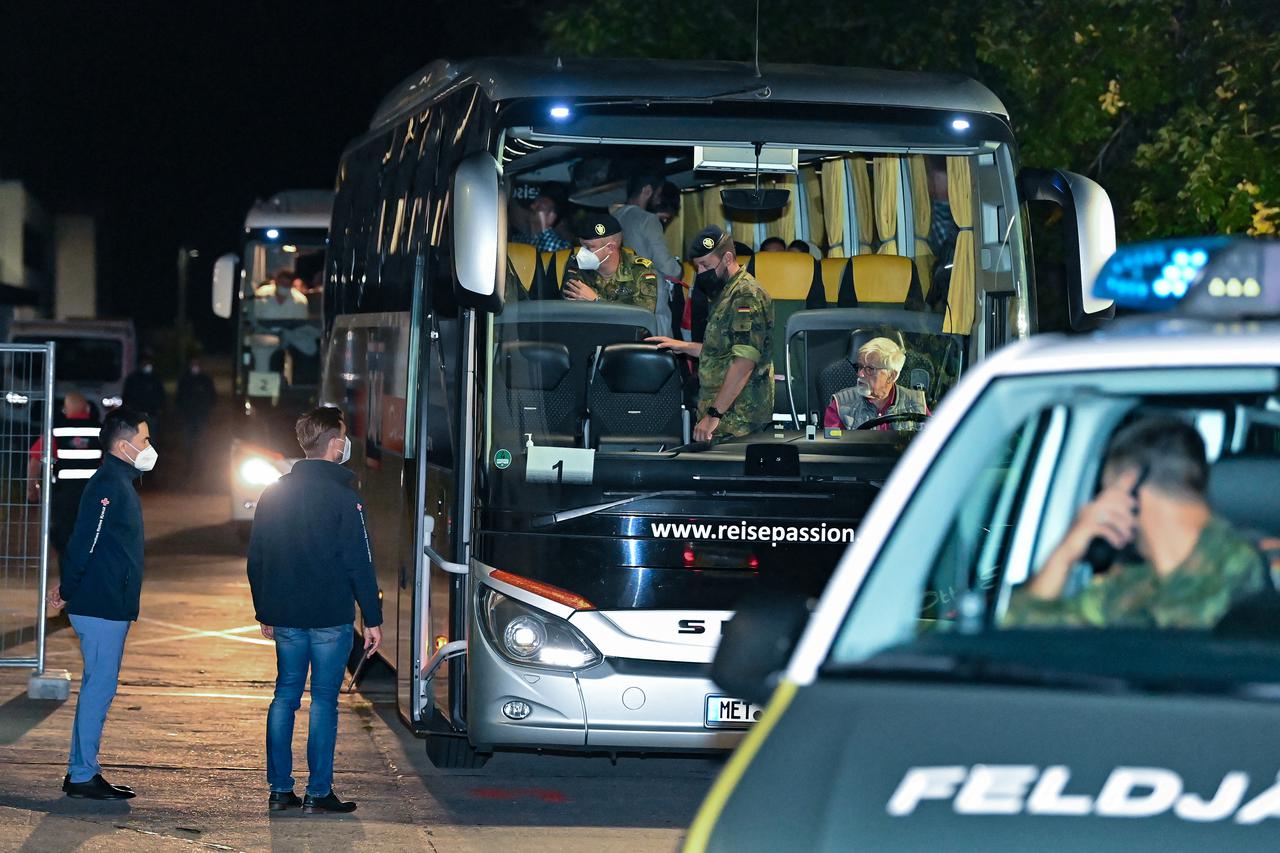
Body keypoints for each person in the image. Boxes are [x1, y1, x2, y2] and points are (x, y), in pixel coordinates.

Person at [1005, 416, 1267, 629]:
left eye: (1107, 490)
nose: (1101, 503)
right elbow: (1020, 631)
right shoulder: (1128, 588)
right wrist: (1067, 551)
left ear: (1128, 483)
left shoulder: (1260, 569)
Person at [247, 406, 383, 815]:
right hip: (329, 617)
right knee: (323, 700)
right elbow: (359, 560)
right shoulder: (345, 496)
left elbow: (257, 558)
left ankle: (279, 789)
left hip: (286, 614)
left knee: (284, 695)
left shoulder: (274, 493)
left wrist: (264, 609)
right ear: (336, 444)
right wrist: (372, 618)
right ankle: (318, 791)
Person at [46, 406, 156, 800]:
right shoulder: (109, 484)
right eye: (143, 441)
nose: (148, 447)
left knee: (98, 685)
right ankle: (81, 775)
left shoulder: (119, 481)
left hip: (107, 601)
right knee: (99, 687)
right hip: (100, 604)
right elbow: (84, 542)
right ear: (124, 446)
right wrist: (68, 588)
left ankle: (82, 771)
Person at [647, 225, 774, 441]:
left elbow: (744, 362)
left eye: (705, 265)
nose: (701, 274)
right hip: (724, 411)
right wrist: (683, 346)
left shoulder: (746, 296)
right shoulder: (725, 292)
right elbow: (723, 351)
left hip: (738, 415)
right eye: (697, 268)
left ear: (727, 258)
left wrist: (714, 415)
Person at [27, 393, 103, 560]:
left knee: (63, 536)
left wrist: (32, 487)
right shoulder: (101, 431)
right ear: (88, 409)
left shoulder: (56, 431)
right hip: (93, 494)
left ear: (65, 410)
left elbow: (35, 460)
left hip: (64, 495)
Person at [824, 337, 930, 431]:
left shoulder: (918, 404)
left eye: (870, 369)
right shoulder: (840, 405)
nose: (860, 374)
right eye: (860, 366)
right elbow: (834, 449)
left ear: (891, 376)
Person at [562, 213, 660, 314]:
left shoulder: (640, 269)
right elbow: (572, 312)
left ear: (610, 248)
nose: (582, 252)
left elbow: (643, 317)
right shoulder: (576, 265)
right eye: (582, 245)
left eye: (589, 247)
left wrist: (596, 301)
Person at [175, 359, 216, 475]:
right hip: (188, 418)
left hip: (202, 417)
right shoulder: (185, 380)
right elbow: (179, 398)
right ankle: (189, 467)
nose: (195, 367)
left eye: (197, 364)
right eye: (193, 364)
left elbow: (212, 397)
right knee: (189, 444)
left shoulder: (206, 380)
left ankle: (200, 468)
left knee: (201, 443)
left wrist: (206, 411)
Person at [123, 355, 166, 422]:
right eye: (144, 363)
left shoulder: (155, 378)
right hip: (136, 414)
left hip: (152, 413)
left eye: (147, 363)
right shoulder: (133, 379)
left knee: (150, 430)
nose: (146, 366)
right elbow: (127, 395)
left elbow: (161, 394)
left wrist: (159, 408)